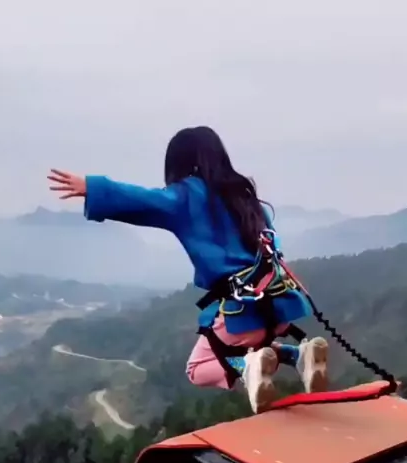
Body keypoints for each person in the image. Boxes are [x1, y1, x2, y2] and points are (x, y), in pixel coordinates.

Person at [47, 126, 328, 414]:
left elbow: (143, 200)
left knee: (198, 368)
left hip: (244, 312)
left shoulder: (189, 196)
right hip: (280, 309)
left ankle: (247, 366)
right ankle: (298, 355)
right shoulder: (246, 196)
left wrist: (93, 188)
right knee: (247, 344)